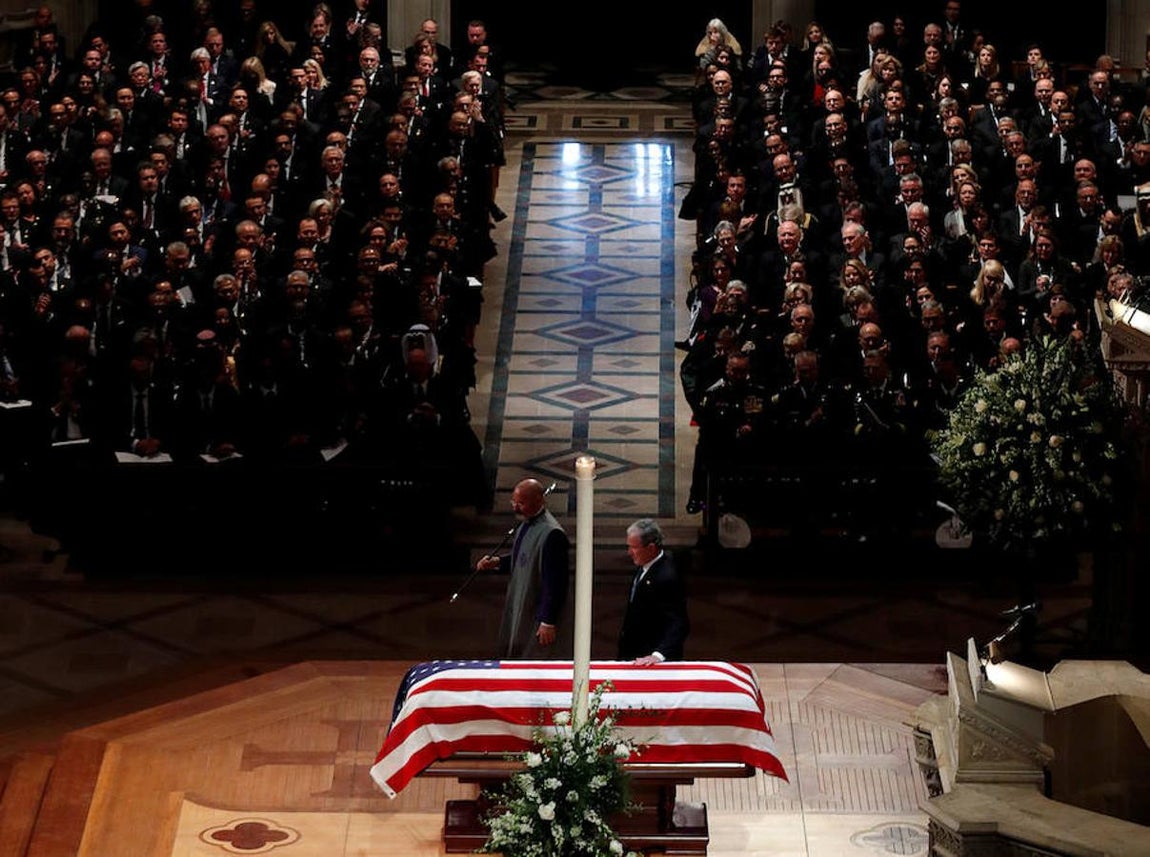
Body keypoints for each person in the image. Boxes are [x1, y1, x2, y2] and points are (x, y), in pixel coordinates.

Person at [478, 478, 570, 659]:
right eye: (514, 502)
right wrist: (497, 562)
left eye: (521, 503)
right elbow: (525, 558)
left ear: (539, 501)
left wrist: (548, 620)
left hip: (535, 610)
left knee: (533, 658)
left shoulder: (552, 534)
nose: (515, 507)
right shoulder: (525, 523)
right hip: (520, 602)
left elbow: (555, 582)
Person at [618, 519, 689, 665]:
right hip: (634, 653)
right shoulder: (645, 565)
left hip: (651, 660)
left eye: (634, 547)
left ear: (650, 548)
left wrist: (658, 655)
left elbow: (678, 622)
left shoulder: (668, 576)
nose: (629, 552)